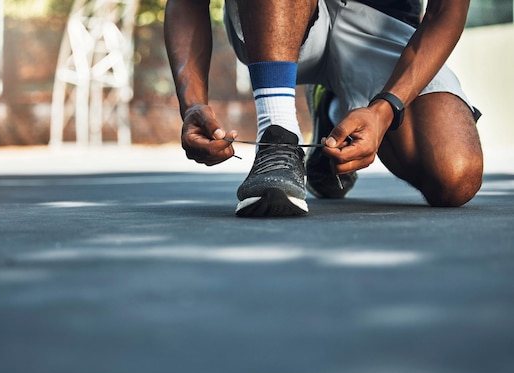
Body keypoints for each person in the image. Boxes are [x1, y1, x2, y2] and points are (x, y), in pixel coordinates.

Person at [164, 0, 483, 217]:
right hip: (274, 17)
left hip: (382, 22)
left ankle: (330, 109)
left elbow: (446, 12)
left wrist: (384, 110)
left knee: (455, 176)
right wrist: (192, 104)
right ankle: (279, 137)